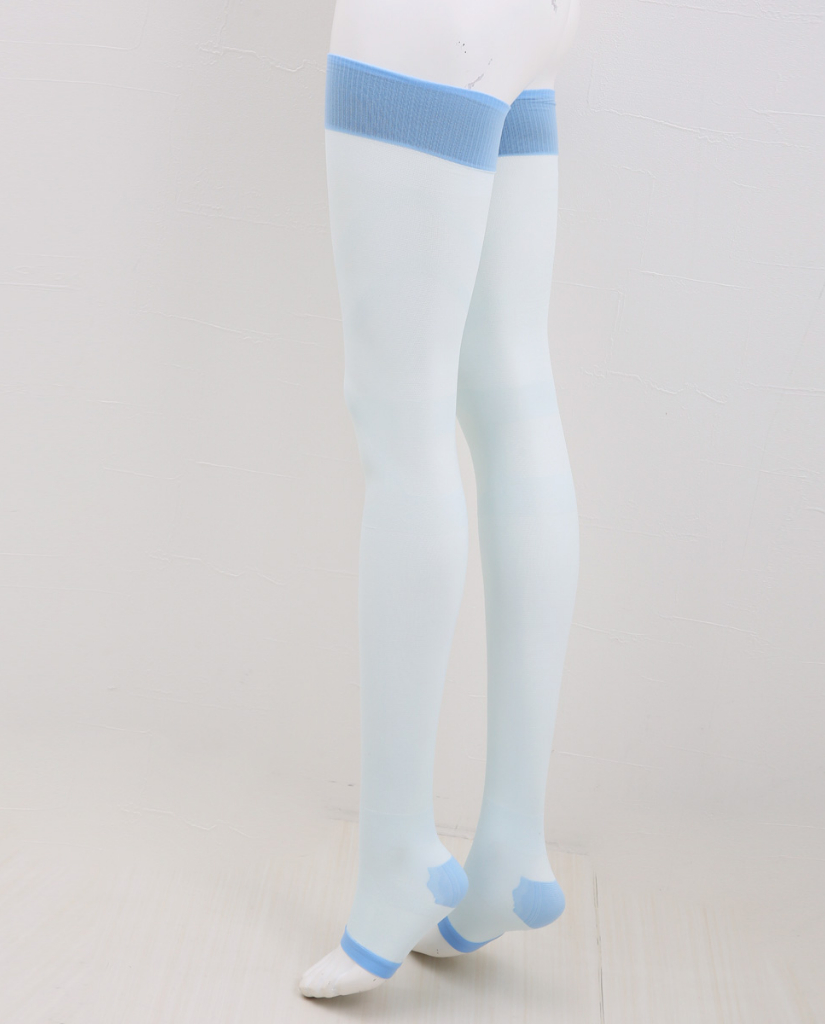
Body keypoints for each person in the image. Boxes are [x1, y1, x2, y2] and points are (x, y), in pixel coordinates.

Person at [300, 0, 582, 998]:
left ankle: (398, 859)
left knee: (399, 418)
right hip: (529, 20)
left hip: (415, 26)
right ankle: (512, 841)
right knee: (513, 390)